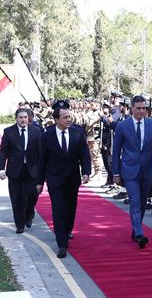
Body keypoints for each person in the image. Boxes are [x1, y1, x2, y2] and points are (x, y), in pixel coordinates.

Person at [36, 100, 91, 258]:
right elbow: (42, 160)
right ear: (56, 120)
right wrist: (39, 182)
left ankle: (67, 231)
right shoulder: (47, 135)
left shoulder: (77, 131)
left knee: (70, 209)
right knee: (58, 210)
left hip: (72, 178)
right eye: (65, 117)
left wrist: (86, 171)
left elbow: (84, 154)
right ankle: (61, 243)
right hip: (55, 179)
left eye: (69, 116)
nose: (68, 120)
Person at [112, 95, 152, 249]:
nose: (142, 111)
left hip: (147, 170)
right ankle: (139, 234)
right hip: (129, 170)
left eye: (144, 108)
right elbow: (116, 151)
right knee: (135, 201)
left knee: (142, 202)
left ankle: (136, 228)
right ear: (132, 109)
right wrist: (115, 173)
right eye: (139, 108)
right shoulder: (122, 126)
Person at [0, 108, 41, 233]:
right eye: (20, 117)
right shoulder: (9, 132)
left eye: (25, 117)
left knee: (32, 195)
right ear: (16, 118)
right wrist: (1, 168)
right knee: (16, 198)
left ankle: (29, 214)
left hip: (31, 169)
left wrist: (42, 170)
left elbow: (40, 152)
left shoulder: (36, 131)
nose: (23, 120)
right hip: (14, 170)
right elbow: (3, 152)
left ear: (28, 118)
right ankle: (20, 224)